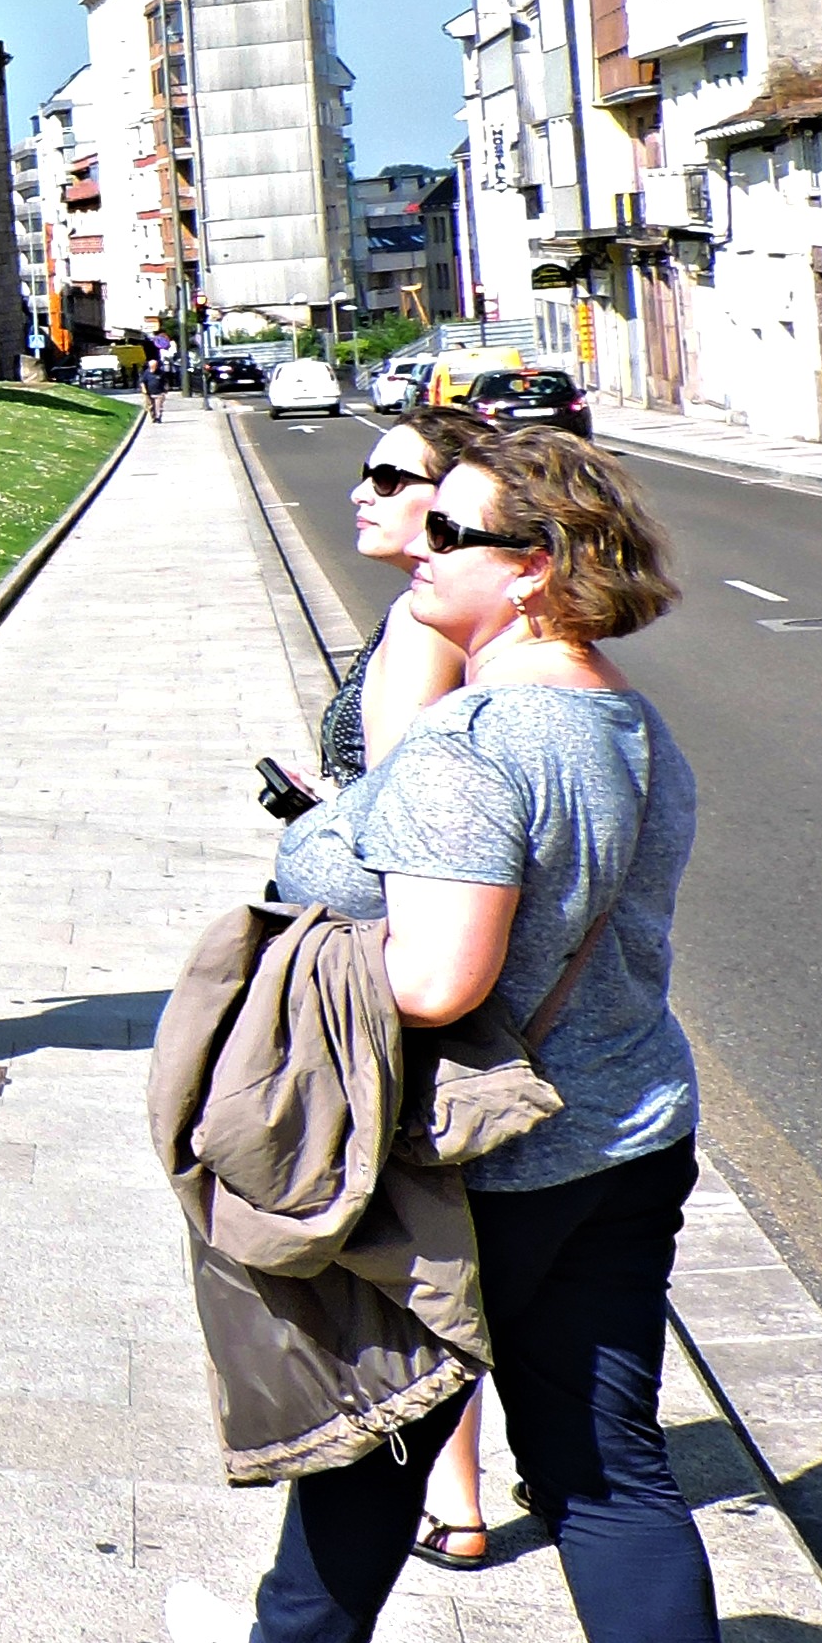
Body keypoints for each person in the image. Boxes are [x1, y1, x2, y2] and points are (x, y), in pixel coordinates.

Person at [169, 429, 736, 1643]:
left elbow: (437, 981)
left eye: (454, 533)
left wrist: (317, 918)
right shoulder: (625, 727)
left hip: (502, 1150)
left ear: (535, 568)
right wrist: (424, 636)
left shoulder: (485, 756)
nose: (420, 544)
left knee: (392, 1417)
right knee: (608, 1466)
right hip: (629, 1131)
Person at [330, 413, 495, 1570]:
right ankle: (460, 1477)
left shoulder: (434, 635)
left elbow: (412, 802)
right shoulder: (412, 617)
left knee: (425, 1233)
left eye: (391, 476)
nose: (363, 489)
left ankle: (454, 1491)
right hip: (394, 938)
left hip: (409, 956)